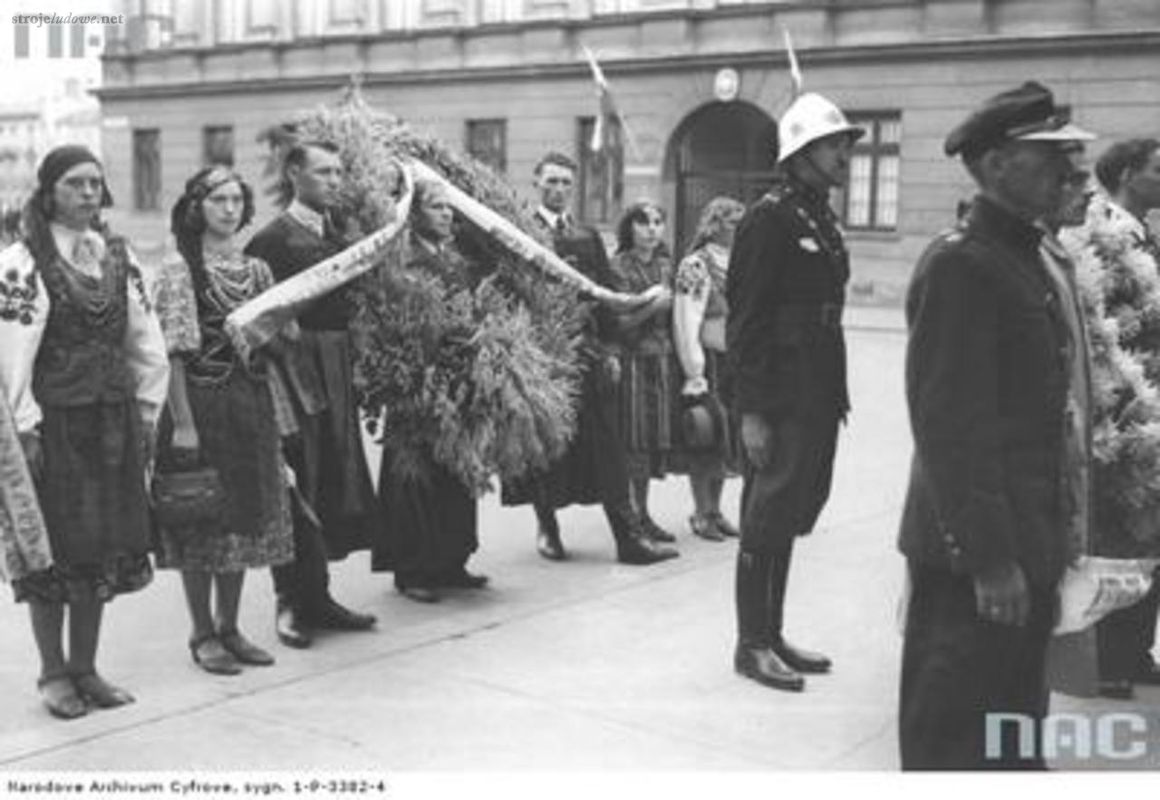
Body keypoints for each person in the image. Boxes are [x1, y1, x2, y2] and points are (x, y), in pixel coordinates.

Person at [898, 81, 1095, 769]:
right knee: (955, 737)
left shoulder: (1023, 256)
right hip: (977, 560)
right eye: (1047, 156)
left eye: (1069, 154)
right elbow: (950, 428)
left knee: (1010, 732)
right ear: (995, 164)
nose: (1068, 171)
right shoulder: (963, 264)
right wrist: (989, 559)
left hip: (1026, 540)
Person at [0, 145, 170, 718]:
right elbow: (12, 355)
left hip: (113, 422)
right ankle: (53, 673)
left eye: (96, 183)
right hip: (56, 427)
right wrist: (26, 427)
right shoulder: (22, 263)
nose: (89, 193)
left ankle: (86, 668)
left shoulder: (117, 258)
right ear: (49, 192)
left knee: (100, 549)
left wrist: (147, 410)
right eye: (75, 184)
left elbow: (145, 340)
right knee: (55, 553)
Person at [725, 93, 862, 692]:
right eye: (834, 145)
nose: (845, 155)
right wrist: (751, 411)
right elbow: (745, 321)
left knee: (790, 513)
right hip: (779, 394)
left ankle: (773, 633)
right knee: (765, 517)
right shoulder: (769, 217)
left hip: (816, 387)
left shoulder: (818, 215)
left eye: (845, 145)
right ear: (802, 153)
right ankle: (750, 644)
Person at [500, 152, 676, 566]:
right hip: (541, 355)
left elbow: (604, 295)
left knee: (607, 444)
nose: (559, 189)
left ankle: (627, 538)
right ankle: (548, 527)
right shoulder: (520, 232)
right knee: (545, 446)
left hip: (588, 350)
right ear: (536, 182)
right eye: (551, 182)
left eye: (565, 183)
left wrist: (612, 348)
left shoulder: (586, 235)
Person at [153, 166, 296, 674]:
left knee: (240, 519)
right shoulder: (178, 270)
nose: (230, 210)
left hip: (249, 403)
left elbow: (282, 341)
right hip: (200, 404)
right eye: (219, 201)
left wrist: (275, 328)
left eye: (237, 200)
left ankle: (231, 626)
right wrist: (184, 423)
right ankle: (202, 631)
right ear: (198, 209)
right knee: (202, 520)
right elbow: (172, 355)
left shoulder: (257, 271)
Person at [244, 140, 377, 648]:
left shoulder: (341, 234)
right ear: (294, 174)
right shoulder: (272, 240)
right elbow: (259, 316)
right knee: (297, 479)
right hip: (294, 371)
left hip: (336, 367)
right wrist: (288, 355)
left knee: (333, 476)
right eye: (323, 172)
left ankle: (318, 595)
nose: (334, 180)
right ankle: (289, 600)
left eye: (340, 172)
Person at [1067, 138, 1160, 700]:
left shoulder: (1146, 233)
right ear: (1128, 174)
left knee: (1153, 533)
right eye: (1158, 171)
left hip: (1151, 399)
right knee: (1122, 532)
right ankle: (1107, 656)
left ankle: (1135, 648)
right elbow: (1098, 325)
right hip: (1124, 404)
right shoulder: (1101, 235)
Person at [374, 179, 486, 603]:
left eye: (449, 208)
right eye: (437, 207)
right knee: (415, 474)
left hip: (458, 376)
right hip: (419, 377)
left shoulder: (455, 258)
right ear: (415, 212)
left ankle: (452, 560)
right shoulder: (405, 259)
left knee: (456, 469)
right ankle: (413, 568)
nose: (446, 215)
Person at [672, 196, 746, 541]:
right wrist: (694, 370)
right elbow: (686, 319)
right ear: (714, 225)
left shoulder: (742, 260)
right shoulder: (695, 265)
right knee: (705, 437)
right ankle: (701, 512)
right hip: (708, 362)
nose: (738, 229)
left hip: (735, 362)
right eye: (732, 222)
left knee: (727, 440)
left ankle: (716, 510)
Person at [609, 200, 678, 545]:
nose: (652, 229)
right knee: (632, 441)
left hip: (661, 361)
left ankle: (644, 513)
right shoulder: (619, 265)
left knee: (651, 443)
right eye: (643, 222)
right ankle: (631, 517)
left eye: (658, 222)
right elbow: (619, 322)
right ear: (629, 228)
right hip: (631, 360)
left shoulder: (667, 266)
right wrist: (653, 305)